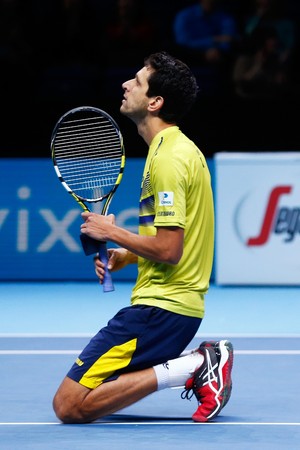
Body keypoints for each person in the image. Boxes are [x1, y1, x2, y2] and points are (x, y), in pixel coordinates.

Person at [52, 51, 234, 424]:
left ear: (155, 102)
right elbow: (177, 240)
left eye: (136, 81)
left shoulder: (168, 159)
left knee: (69, 405)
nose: (125, 84)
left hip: (160, 310)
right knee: (95, 393)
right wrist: (126, 254)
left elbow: (170, 249)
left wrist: (111, 231)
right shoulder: (175, 151)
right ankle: (196, 364)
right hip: (172, 308)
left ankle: (197, 365)